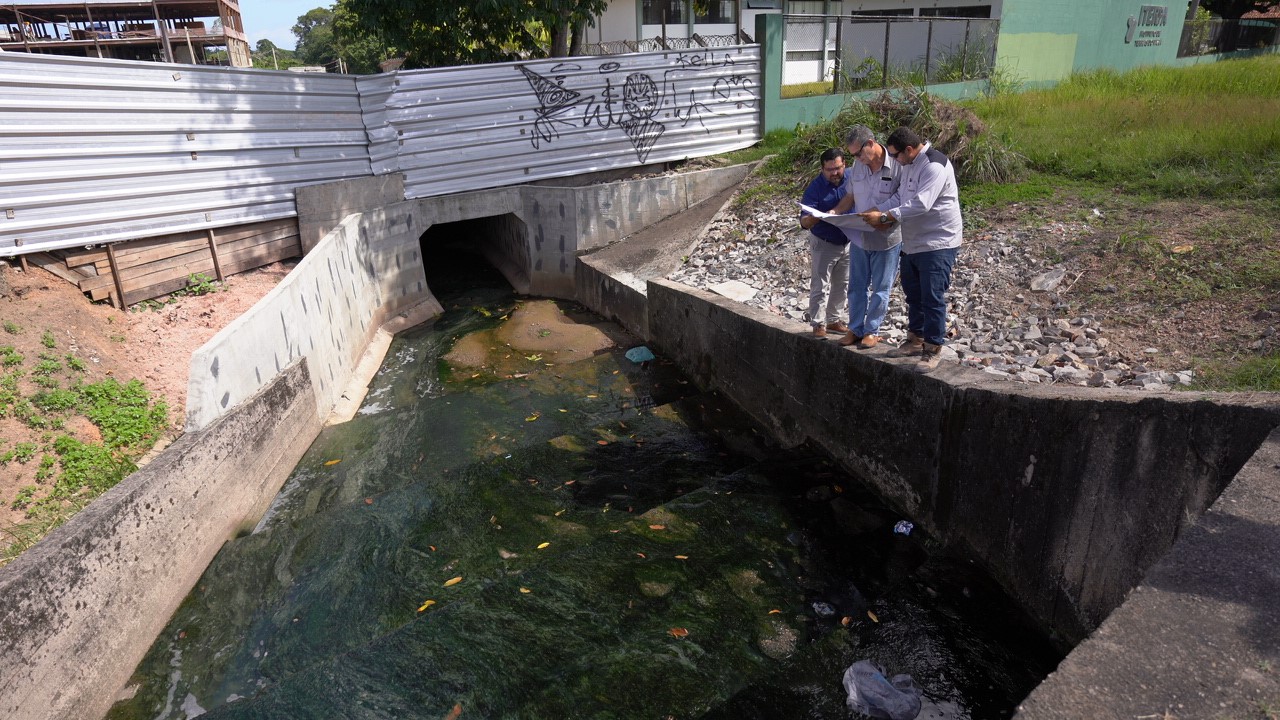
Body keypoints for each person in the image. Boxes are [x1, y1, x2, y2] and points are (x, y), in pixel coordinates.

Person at [858, 127, 962, 373]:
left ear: (909, 149)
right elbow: (901, 198)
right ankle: (915, 340)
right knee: (913, 293)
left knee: (932, 297)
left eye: (895, 155)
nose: (893, 160)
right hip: (913, 242)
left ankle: (933, 348)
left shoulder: (934, 165)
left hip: (938, 242)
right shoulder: (908, 165)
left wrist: (885, 217)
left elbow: (922, 204)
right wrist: (877, 210)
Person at [835, 125, 902, 350]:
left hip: (886, 237)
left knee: (881, 288)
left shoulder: (897, 165)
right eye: (853, 155)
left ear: (871, 143)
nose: (856, 158)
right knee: (856, 286)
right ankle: (855, 328)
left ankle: (872, 330)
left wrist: (881, 215)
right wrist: (835, 212)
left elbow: (904, 200)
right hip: (860, 237)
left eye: (858, 153)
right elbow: (851, 195)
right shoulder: (858, 166)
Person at [798, 148, 852, 338]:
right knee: (820, 284)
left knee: (842, 283)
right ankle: (818, 323)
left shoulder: (852, 177)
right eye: (830, 170)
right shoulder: (815, 188)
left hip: (847, 241)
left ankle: (834, 320)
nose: (834, 173)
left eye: (837, 168)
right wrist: (815, 217)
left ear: (844, 164)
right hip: (824, 242)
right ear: (822, 169)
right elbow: (804, 221)